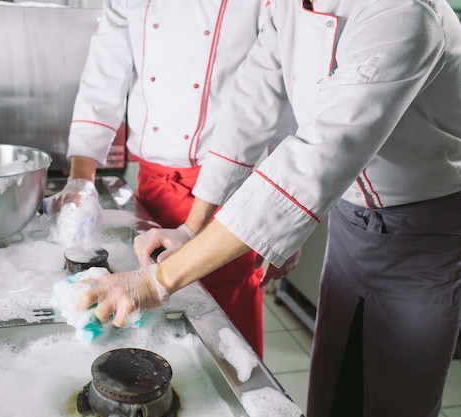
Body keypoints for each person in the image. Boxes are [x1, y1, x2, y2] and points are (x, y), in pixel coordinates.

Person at [75, 0, 461, 416]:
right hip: (350, 222)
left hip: (424, 230)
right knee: (333, 384)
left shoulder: (402, 13)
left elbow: (313, 161)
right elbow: (249, 106)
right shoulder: (292, 8)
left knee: (398, 395)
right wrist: (192, 227)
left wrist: (156, 282)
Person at [47, 0, 298, 356]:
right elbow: (102, 78)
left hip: (228, 198)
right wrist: (80, 181)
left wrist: (286, 216)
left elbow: (277, 96)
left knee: (225, 337)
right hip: (151, 187)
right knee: (148, 326)